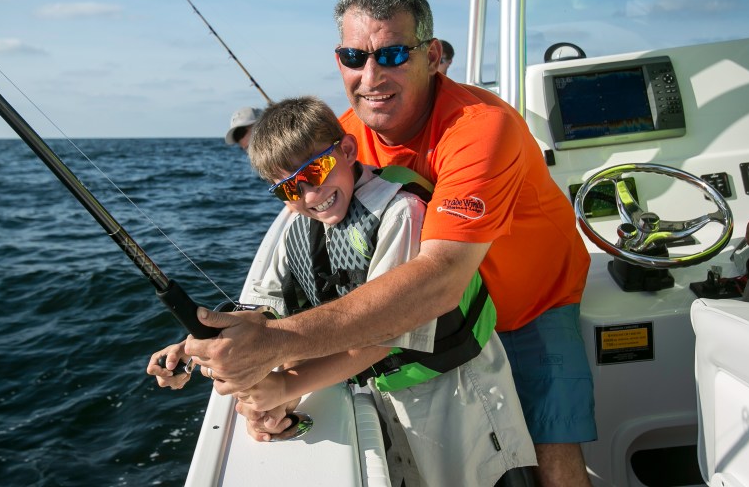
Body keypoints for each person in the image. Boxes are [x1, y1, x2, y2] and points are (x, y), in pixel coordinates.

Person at [185, 0, 595, 487]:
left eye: (394, 54)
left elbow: (440, 277)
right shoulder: (345, 134)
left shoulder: (480, 127)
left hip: (532, 303)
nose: (371, 75)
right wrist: (214, 336)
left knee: (552, 450)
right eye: (354, 56)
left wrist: (276, 342)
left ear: (435, 56)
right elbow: (301, 232)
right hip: (452, 323)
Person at [151, 95, 536, 486]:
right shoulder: (296, 226)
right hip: (380, 396)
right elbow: (265, 311)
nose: (310, 196)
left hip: (457, 399)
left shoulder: (400, 212)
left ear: (348, 150)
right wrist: (198, 348)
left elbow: (379, 336)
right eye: (289, 189)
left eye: (316, 170)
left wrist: (286, 385)